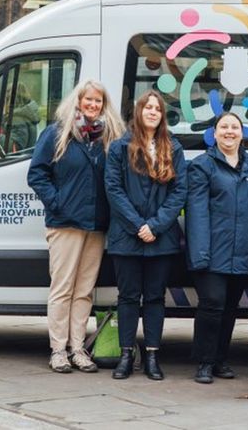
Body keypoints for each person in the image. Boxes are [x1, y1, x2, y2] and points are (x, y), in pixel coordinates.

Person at [27, 79, 124, 373]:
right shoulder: (58, 133)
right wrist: (57, 203)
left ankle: (78, 348)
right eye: (89, 100)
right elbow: (37, 174)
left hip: (96, 225)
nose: (93, 106)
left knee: (84, 291)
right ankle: (58, 350)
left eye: (99, 102)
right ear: (78, 102)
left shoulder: (110, 137)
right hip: (65, 223)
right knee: (62, 288)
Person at [104, 91, 188, 380]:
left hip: (161, 239)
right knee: (127, 297)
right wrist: (139, 225)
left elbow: (180, 192)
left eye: (157, 108)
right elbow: (113, 190)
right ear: (138, 112)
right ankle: (126, 355)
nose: (152, 112)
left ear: (162, 115)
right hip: (126, 238)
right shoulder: (119, 148)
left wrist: (156, 226)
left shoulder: (173, 148)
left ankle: (152, 355)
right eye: (147, 107)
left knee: (154, 298)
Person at [186, 112, 248, 384]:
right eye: (224, 127)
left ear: (242, 134)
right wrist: (200, 254)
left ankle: (220, 360)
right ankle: (204, 362)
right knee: (212, 304)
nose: (229, 132)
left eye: (234, 127)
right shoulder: (202, 166)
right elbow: (196, 213)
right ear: (214, 133)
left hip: (242, 252)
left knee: (230, 307)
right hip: (211, 251)